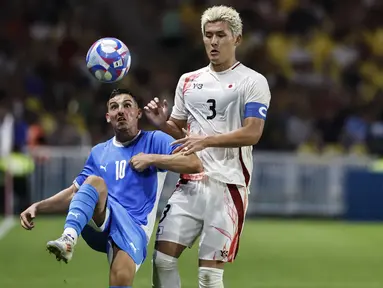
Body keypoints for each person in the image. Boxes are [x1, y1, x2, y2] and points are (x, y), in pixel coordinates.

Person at [19, 88, 203, 288]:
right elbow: (75, 192)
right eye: (114, 107)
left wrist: (152, 159)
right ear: (108, 117)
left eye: (127, 105)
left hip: (134, 227)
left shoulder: (155, 140)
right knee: (93, 182)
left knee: (121, 279)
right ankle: (68, 238)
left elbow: (194, 163)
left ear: (138, 113)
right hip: (103, 219)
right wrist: (38, 206)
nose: (121, 111)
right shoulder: (99, 152)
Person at [145, 5, 271, 288]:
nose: (213, 41)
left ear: (236, 39)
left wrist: (206, 140)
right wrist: (163, 123)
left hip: (228, 187)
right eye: (208, 35)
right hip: (190, 183)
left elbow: (253, 132)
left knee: (209, 276)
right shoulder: (188, 81)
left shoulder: (253, 82)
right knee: (162, 260)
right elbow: (181, 131)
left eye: (220, 35)